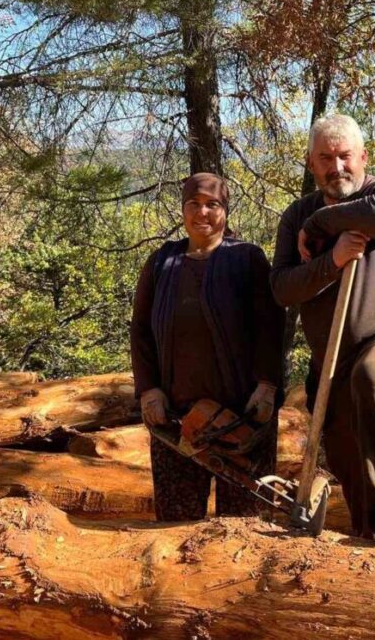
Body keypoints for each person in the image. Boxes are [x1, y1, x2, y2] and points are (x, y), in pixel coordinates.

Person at [271, 114, 375, 547]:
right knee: (346, 452)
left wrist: (322, 224)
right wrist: (332, 260)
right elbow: (283, 288)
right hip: (334, 359)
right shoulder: (295, 215)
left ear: (363, 157)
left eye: (345, 156)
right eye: (325, 158)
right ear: (311, 164)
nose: (337, 166)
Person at [130, 172, 285, 521]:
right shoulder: (161, 263)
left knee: (246, 525)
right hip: (176, 419)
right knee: (176, 524)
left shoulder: (247, 259)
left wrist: (267, 385)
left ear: (225, 210)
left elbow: (271, 328)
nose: (203, 213)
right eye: (194, 204)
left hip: (244, 419)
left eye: (212, 205)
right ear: (183, 210)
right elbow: (140, 330)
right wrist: (149, 390)